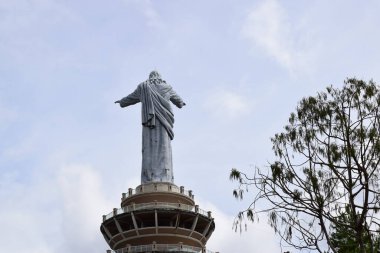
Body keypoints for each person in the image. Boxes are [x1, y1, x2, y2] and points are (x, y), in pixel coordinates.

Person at [115, 71, 186, 184]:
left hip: (150, 123)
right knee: (164, 147)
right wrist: (181, 103)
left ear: (150, 77)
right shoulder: (166, 87)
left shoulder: (144, 87)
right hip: (164, 123)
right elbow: (179, 101)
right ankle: (165, 176)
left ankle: (150, 176)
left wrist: (122, 101)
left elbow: (130, 98)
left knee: (149, 147)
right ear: (159, 78)